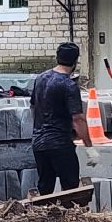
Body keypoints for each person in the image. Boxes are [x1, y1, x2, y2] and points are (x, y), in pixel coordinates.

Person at [30, 41, 97, 196]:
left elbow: (33, 107)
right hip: (60, 144)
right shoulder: (69, 85)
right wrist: (89, 147)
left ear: (57, 58)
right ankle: (70, 218)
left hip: (39, 144)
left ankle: (43, 218)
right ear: (75, 62)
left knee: (45, 189)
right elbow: (78, 119)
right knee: (70, 190)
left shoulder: (40, 79)